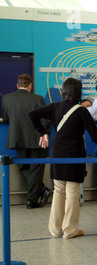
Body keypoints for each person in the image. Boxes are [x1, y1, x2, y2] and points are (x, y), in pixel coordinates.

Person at [28, 78, 97, 238]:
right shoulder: (81, 111)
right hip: (74, 154)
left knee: (58, 190)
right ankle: (70, 230)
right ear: (79, 93)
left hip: (58, 152)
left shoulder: (55, 107)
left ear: (63, 91)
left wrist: (42, 133)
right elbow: (94, 136)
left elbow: (32, 114)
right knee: (72, 192)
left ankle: (54, 229)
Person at [2, 74, 52, 209]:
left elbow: (6, 119)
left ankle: (38, 194)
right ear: (30, 86)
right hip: (38, 138)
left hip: (18, 138)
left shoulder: (7, 99)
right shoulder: (38, 99)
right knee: (36, 169)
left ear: (17, 85)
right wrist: (45, 134)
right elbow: (45, 119)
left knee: (23, 166)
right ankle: (34, 198)